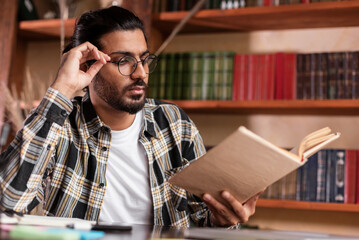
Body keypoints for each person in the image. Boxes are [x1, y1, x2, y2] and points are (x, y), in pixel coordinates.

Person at [0, 6, 260, 228]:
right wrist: (63, 89)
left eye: (144, 60)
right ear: (87, 65)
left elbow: (201, 221)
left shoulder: (174, 124)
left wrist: (221, 221)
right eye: (124, 61)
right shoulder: (60, 125)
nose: (141, 73)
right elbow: (8, 204)